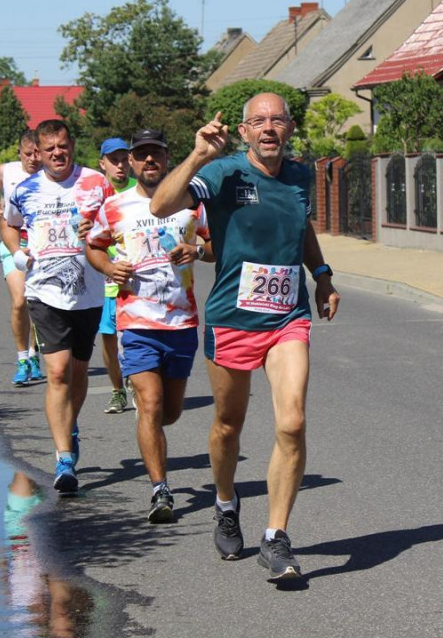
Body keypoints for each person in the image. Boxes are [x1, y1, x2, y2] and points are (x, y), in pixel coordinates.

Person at [150, 94, 340, 581]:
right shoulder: (223, 173)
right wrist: (197, 155)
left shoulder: (300, 177)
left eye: (277, 119)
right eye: (259, 121)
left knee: (292, 422)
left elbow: (302, 229)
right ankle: (225, 502)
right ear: (244, 130)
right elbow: (161, 203)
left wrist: (320, 274)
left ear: (290, 127)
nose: (269, 127)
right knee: (228, 426)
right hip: (232, 319)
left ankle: (275, 538)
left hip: (286, 318)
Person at [87, 129, 213, 523]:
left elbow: (219, 245)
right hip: (136, 322)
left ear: (166, 156)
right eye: (140, 155)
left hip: (180, 321)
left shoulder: (192, 204)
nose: (148, 161)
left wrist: (198, 249)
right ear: (131, 162)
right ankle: (160, 489)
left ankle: (154, 439)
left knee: (168, 413)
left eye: (155, 153)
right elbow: (93, 245)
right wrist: (109, 266)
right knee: (150, 404)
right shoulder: (115, 206)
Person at [3, 119, 108, 494]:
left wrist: (98, 235)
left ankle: (70, 423)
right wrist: (17, 253)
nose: (57, 154)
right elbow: (9, 224)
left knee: (79, 372)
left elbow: (116, 224)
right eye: (49, 150)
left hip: (88, 291)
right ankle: (64, 458)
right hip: (43, 291)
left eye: (62, 146)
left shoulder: (97, 182)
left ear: (72, 144)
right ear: (40, 152)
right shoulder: (25, 189)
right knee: (58, 372)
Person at [0, 130, 45, 387]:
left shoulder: (51, 175)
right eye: (28, 154)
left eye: (37, 153)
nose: (33, 159)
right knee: (20, 300)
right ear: (19, 153)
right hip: (13, 243)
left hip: (41, 245)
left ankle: (34, 353)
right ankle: (22, 358)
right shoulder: (6, 170)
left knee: (36, 303)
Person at [97, 137, 138, 414]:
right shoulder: (95, 193)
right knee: (109, 340)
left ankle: (137, 383)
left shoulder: (142, 191)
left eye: (124, 159)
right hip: (103, 280)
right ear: (103, 164)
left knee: (133, 337)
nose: (120, 165)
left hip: (133, 281)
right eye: (114, 160)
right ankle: (117, 389)